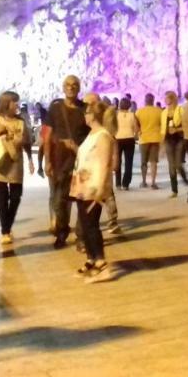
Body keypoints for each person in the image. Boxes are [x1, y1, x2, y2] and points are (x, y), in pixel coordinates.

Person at [0, 91, 34, 247]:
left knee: (16, 196)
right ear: (6, 103)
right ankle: (5, 231)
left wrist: (30, 159)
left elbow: (26, 142)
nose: (17, 105)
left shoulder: (20, 122)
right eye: (14, 102)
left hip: (15, 163)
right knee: (2, 199)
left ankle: (7, 225)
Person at [71, 100, 116, 283]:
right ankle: (91, 259)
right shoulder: (92, 134)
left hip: (94, 186)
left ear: (93, 116)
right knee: (84, 223)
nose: (84, 116)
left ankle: (101, 262)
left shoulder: (103, 136)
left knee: (91, 225)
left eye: (87, 113)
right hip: (82, 185)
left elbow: (105, 164)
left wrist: (101, 189)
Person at [44, 76, 88, 249]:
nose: (71, 88)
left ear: (79, 88)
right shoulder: (55, 109)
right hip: (60, 161)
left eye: (75, 85)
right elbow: (47, 136)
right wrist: (47, 161)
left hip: (81, 160)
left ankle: (81, 237)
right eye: (68, 85)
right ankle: (62, 232)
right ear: (63, 88)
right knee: (59, 201)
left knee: (82, 200)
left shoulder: (85, 109)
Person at [84, 92, 122, 236]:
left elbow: (112, 139)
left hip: (101, 164)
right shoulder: (90, 121)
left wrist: (115, 158)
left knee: (107, 193)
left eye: (89, 103)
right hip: (90, 166)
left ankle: (112, 221)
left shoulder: (104, 122)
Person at [161, 91, 187, 198]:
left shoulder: (180, 110)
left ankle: (185, 179)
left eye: (166, 98)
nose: (165, 100)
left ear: (172, 99)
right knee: (171, 166)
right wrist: (161, 145)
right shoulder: (164, 112)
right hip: (168, 140)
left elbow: (186, 125)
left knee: (178, 164)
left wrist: (176, 129)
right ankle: (174, 190)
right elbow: (163, 129)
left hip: (179, 139)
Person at [136, 93, 163, 189]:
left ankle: (143, 181)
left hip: (144, 138)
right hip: (155, 138)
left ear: (145, 100)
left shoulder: (139, 112)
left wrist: (138, 133)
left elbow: (136, 125)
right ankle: (153, 182)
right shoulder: (159, 111)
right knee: (153, 162)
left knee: (143, 162)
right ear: (153, 100)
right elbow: (162, 124)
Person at [114, 98, 138, 190]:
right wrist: (135, 135)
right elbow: (136, 128)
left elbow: (113, 127)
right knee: (129, 162)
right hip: (129, 139)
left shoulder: (116, 114)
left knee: (118, 161)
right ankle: (126, 183)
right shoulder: (132, 115)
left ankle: (118, 183)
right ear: (129, 105)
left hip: (118, 139)